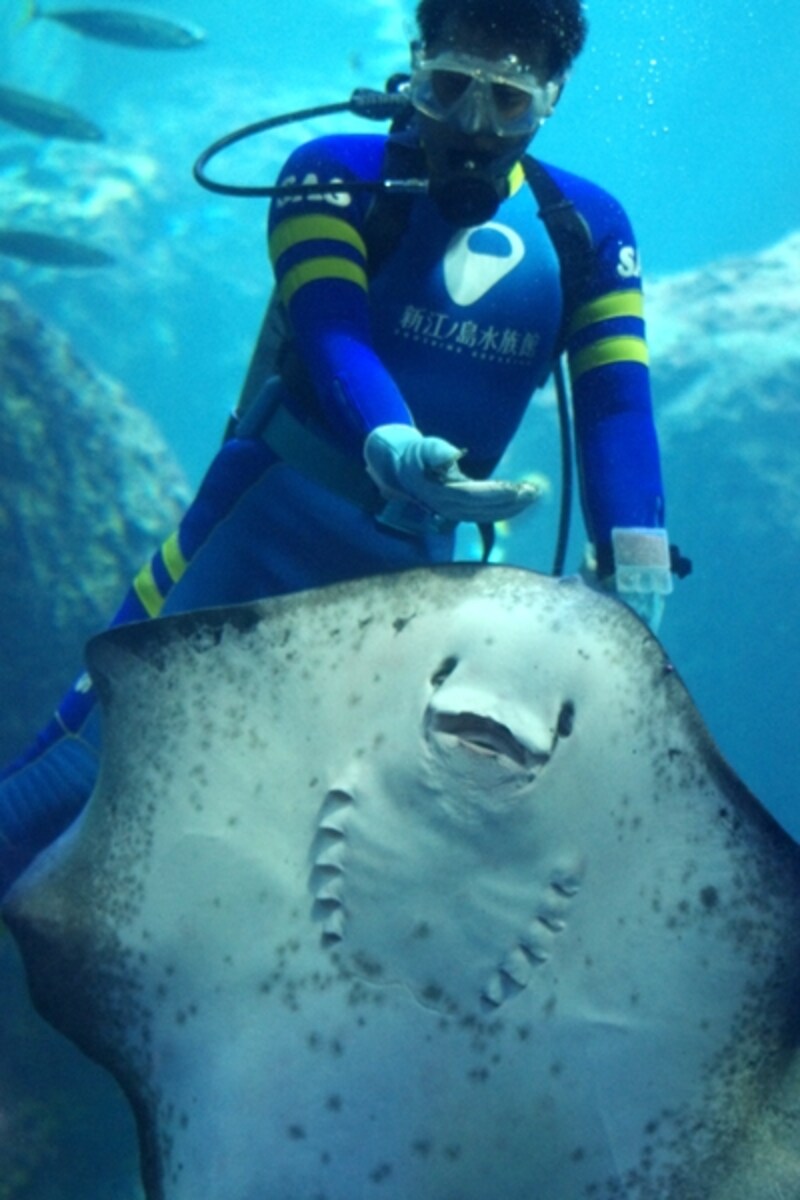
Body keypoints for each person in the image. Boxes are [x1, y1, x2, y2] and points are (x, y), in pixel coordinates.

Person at [0, 0, 674, 896]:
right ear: (414, 65)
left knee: (298, 846)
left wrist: (637, 556)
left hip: (415, 580)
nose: (474, 128)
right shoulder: (330, 172)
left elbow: (617, 404)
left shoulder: (589, 229)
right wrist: (393, 444)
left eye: (507, 102)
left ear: (552, 97)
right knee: (77, 774)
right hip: (256, 529)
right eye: (450, 89)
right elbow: (330, 331)